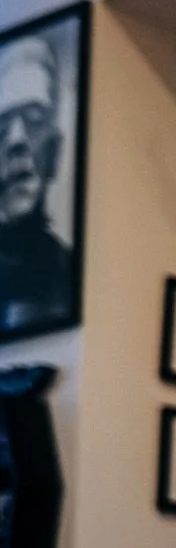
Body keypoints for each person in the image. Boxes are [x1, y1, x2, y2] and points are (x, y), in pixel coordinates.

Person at [0, 34, 72, 335]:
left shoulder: (69, 277)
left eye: (34, 119)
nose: (17, 140)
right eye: (1, 125)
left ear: (54, 151)